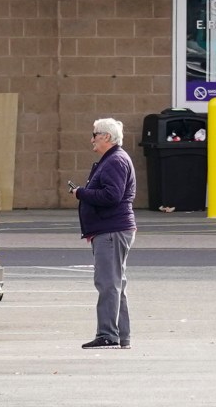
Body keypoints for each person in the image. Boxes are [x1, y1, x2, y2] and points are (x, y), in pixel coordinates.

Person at [70, 117, 136, 349]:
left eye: (95, 135)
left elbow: (112, 196)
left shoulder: (115, 161)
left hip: (111, 230)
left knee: (108, 283)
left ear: (106, 137)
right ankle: (120, 336)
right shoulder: (114, 159)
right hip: (112, 229)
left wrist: (81, 193)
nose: (92, 140)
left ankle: (108, 335)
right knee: (116, 284)